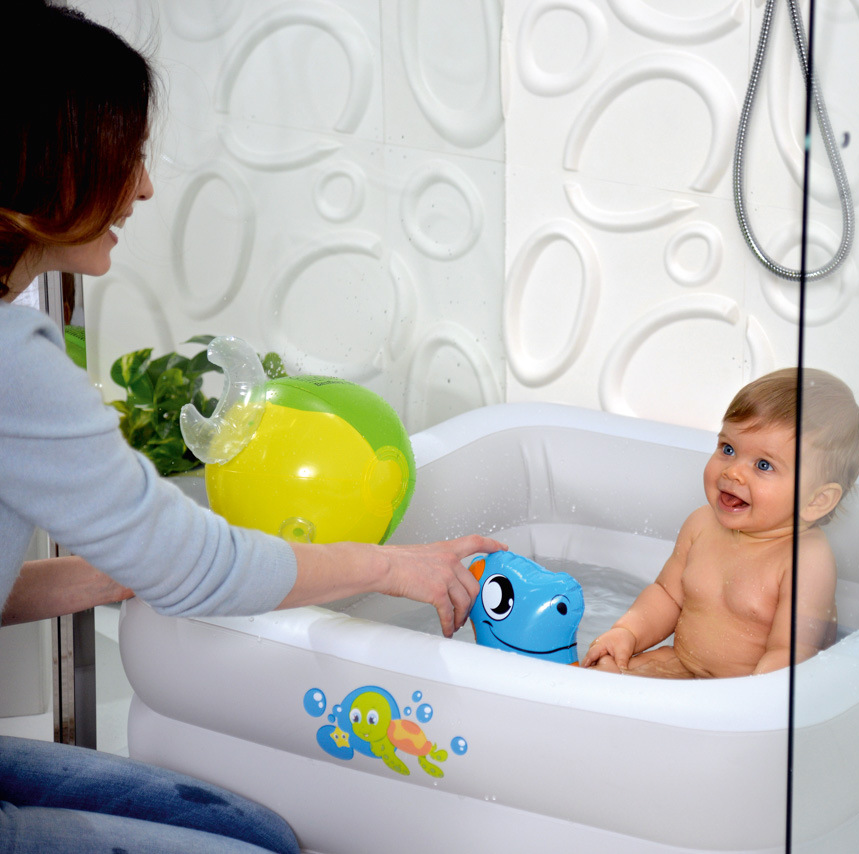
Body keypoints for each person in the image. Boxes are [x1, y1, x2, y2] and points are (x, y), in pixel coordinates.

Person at [0, 4, 502, 852]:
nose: (144, 188)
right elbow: (202, 570)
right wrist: (393, 565)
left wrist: (115, 571)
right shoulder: (13, 362)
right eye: (126, 156)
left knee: (259, 832)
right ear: (49, 163)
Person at [583, 368, 859, 678]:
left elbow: (790, 654)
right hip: (683, 664)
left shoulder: (806, 560)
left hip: (746, 687)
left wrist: (744, 700)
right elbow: (666, 594)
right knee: (601, 672)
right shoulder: (701, 524)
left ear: (816, 500)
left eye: (763, 465)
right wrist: (627, 632)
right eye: (728, 449)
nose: (732, 472)